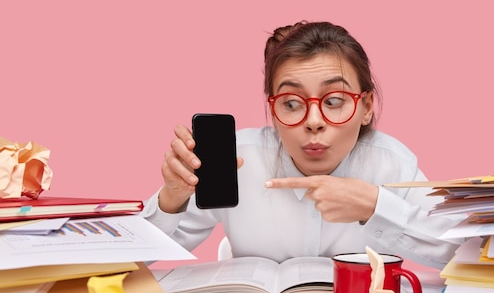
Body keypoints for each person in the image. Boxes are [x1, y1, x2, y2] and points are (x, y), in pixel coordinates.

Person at [142, 21, 462, 269]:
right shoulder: (237, 159)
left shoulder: (392, 163)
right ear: (273, 109)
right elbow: (132, 264)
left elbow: (462, 254)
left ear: (365, 107)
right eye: (292, 103)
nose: (313, 121)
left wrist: (375, 208)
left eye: (334, 100)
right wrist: (172, 199)